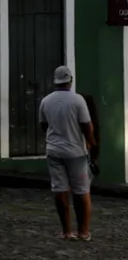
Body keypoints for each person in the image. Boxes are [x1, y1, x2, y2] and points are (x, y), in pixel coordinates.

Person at [38, 66, 96, 241]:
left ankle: (66, 231)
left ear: (55, 81)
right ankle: (84, 232)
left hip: (54, 151)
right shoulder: (78, 100)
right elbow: (86, 125)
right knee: (81, 191)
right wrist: (92, 143)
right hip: (75, 153)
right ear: (70, 80)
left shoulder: (46, 101)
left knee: (60, 190)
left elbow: (43, 125)